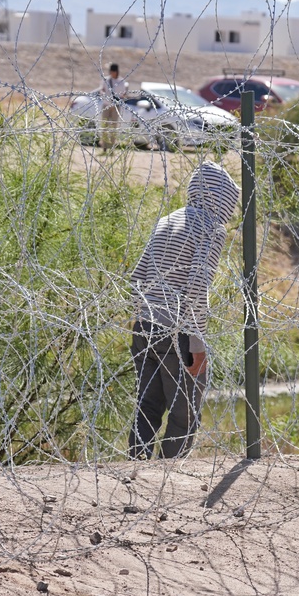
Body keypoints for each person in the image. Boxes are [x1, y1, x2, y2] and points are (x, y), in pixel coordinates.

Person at [129, 162, 240, 459]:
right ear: (223, 198)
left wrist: (144, 314)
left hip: (144, 325)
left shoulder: (167, 220)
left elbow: (137, 276)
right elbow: (196, 288)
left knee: (148, 405)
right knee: (185, 412)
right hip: (176, 333)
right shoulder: (211, 227)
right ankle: (170, 473)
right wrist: (197, 344)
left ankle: (135, 467)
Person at [99, 62, 128, 149]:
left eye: (113, 71)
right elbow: (101, 89)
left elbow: (123, 94)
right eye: (111, 71)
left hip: (116, 106)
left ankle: (111, 145)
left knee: (114, 126)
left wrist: (118, 98)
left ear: (116, 72)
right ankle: (104, 145)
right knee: (105, 125)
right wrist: (104, 94)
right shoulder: (106, 80)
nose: (112, 73)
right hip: (106, 104)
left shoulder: (121, 81)